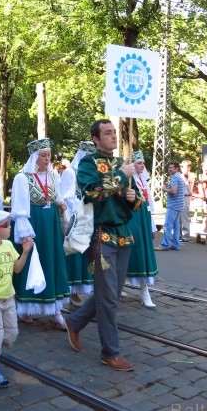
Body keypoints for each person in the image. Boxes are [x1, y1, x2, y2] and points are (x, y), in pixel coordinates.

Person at [65, 119, 142, 372]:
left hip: (124, 236)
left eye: (114, 132)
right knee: (108, 297)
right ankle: (110, 352)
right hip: (99, 237)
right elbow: (91, 192)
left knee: (110, 293)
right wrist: (122, 177)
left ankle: (75, 322)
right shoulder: (87, 163)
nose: (113, 136)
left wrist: (134, 198)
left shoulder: (122, 164)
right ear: (96, 139)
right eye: (107, 133)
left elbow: (137, 199)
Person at [11, 138, 70, 329]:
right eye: (42, 155)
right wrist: (25, 232)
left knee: (52, 261)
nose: (46, 159)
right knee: (32, 261)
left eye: (48, 155)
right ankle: (27, 307)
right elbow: (19, 207)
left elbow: (56, 194)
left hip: (50, 222)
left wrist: (60, 203)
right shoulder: (22, 178)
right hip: (34, 222)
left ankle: (55, 310)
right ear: (34, 157)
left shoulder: (53, 175)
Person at [0, 210, 33, 388]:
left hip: (9, 298)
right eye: (6, 225)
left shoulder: (9, 245)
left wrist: (25, 253)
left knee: (11, 334)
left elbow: (17, 269)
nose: (10, 228)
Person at [59, 141, 96, 306]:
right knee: (74, 252)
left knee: (87, 253)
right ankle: (71, 289)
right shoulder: (71, 172)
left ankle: (83, 286)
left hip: (89, 215)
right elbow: (66, 196)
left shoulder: (93, 173)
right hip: (76, 216)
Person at [128, 151, 158, 307]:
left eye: (143, 163)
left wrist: (153, 226)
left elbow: (149, 206)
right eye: (139, 163)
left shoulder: (144, 182)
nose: (142, 165)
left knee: (144, 252)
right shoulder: (129, 180)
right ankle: (126, 285)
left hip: (144, 219)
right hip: (133, 219)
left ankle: (144, 289)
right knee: (134, 251)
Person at [155, 162, 185, 251]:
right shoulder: (180, 177)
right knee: (176, 226)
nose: (169, 169)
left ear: (176, 168)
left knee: (168, 225)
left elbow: (174, 191)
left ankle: (164, 244)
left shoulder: (175, 177)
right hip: (179, 205)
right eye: (169, 167)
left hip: (173, 205)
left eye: (171, 167)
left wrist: (164, 189)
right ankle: (176, 244)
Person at [179, 160, 195, 242]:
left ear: (189, 167)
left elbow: (190, 183)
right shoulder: (180, 175)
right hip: (179, 197)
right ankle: (178, 235)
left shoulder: (190, 175)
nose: (181, 168)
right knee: (178, 217)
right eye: (181, 166)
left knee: (184, 216)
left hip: (185, 196)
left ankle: (186, 236)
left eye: (183, 166)